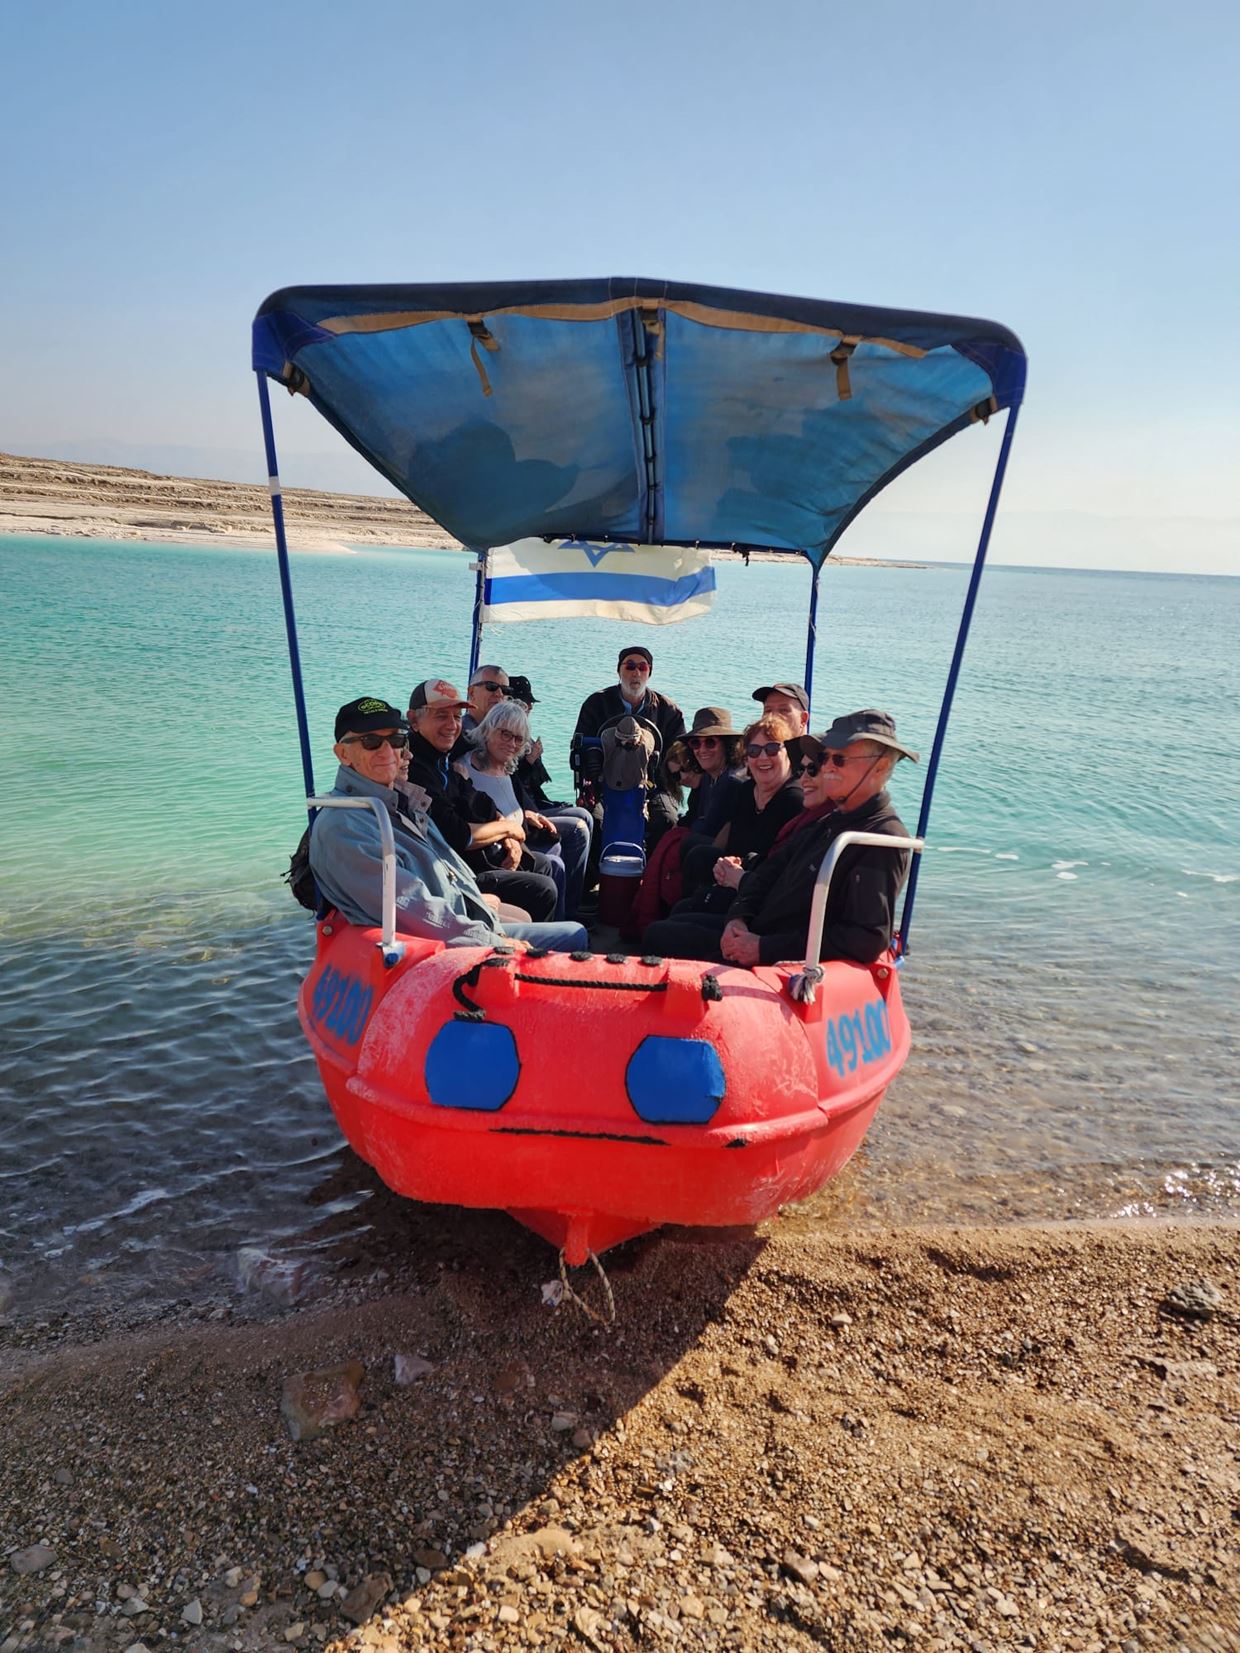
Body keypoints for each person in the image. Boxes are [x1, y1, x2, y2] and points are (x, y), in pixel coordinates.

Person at [307, 697, 587, 952]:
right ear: (343, 754)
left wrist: (472, 897)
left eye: (395, 740)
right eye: (370, 742)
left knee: (535, 903)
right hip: (439, 953)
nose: (388, 751)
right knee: (573, 935)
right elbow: (409, 908)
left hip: (458, 911)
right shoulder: (345, 826)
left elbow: (442, 863)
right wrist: (494, 942)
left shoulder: (395, 803)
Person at [644, 709, 917, 967]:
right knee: (672, 918)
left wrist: (763, 947)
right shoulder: (829, 822)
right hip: (760, 926)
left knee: (660, 935)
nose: (827, 768)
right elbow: (769, 873)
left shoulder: (879, 838)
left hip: (778, 950)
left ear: (880, 768)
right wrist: (738, 918)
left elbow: (865, 939)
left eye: (839, 759)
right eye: (825, 759)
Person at [405, 678, 560, 920]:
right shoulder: (416, 768)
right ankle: (532, 949)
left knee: (542, 863)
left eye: (457, 717)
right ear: (414, 720)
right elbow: (459, 835)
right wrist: (508, 828)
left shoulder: (442, 759)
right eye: (441, 716)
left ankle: (549, 937)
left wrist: (507, 830)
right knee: (542, 889)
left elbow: (478, 800)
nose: (452, 725)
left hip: (475, 853)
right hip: (454, 868)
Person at [457, 699, 591, 921]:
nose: (511, 743)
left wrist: (528, 813)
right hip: (493, 856)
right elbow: (473, 818)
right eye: (505, 734)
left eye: (518, 739)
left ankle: (566, 918)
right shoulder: (465, 770)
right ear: (488, 730)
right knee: (554, 862)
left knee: (574, 831)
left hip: (520, 837)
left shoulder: (507, 768)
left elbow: (514, 802)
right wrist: (509, 833)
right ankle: (557, 927)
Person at [679, 713, 804, 902]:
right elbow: (730, 838)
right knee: (698, 857)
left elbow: (779, 868)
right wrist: (724, 864)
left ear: (788, 753)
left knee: (667, 928)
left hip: (757, 892)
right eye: (753, 750)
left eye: (772, 749)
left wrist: (738, 875)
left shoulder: (794, 800)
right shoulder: (746, 790)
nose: (762, 757)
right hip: (731, 874)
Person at [573, 646, 685, 847]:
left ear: (649, 672)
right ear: (619, 671)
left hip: (654, 787)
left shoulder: (669, 711)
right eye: (630, 666)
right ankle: (595, 875)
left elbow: (679, 756)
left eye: (642, 667)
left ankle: (649, 874)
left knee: (666, 820)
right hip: (603, 784)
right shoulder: (596, 703)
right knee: (594, 822)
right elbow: (579, 749)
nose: (636, 672)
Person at [680, 708, 745, 830]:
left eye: (710, 742)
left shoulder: (733, 783)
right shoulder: (708, 777)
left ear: (727, 744)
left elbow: (710, 828)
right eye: (696, 743)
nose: (702, 749)